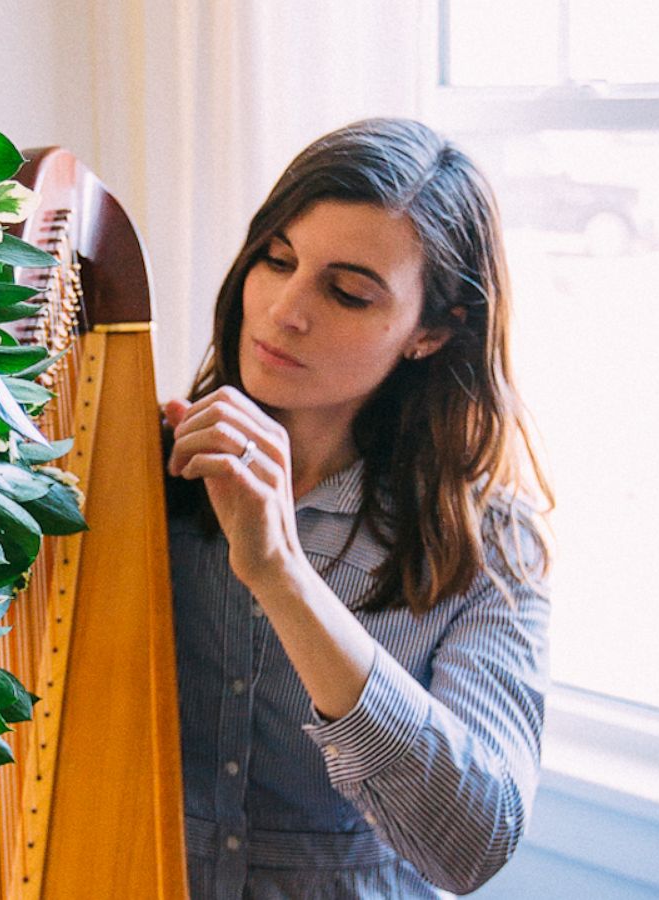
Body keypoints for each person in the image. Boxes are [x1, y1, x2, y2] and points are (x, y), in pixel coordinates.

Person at [162, 117, 554, 898]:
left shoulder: (493, 543)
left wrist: (282, 575)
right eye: (276, 260)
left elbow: (473, 844)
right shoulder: (145, 475)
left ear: (433, 332)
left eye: (347, 292)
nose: (283, 311)